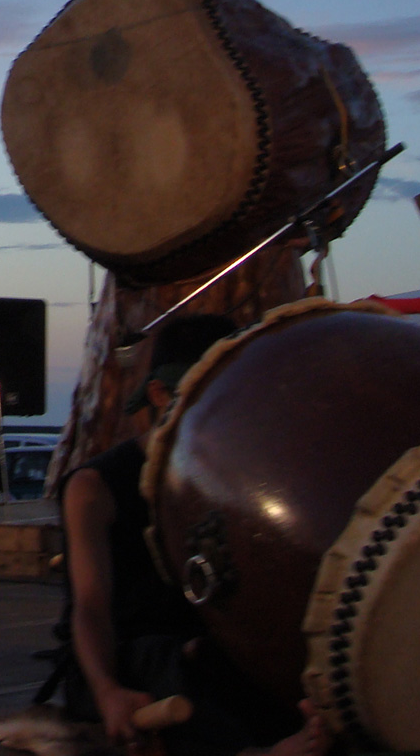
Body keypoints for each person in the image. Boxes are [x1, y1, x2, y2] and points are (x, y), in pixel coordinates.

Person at [51, 313, 328, 756]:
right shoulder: (94, 487)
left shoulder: (232, 475)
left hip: (214, 647)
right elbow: (90, 607)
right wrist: (107, 692)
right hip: (123, 660)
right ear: (160, 395)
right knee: (185, 661)